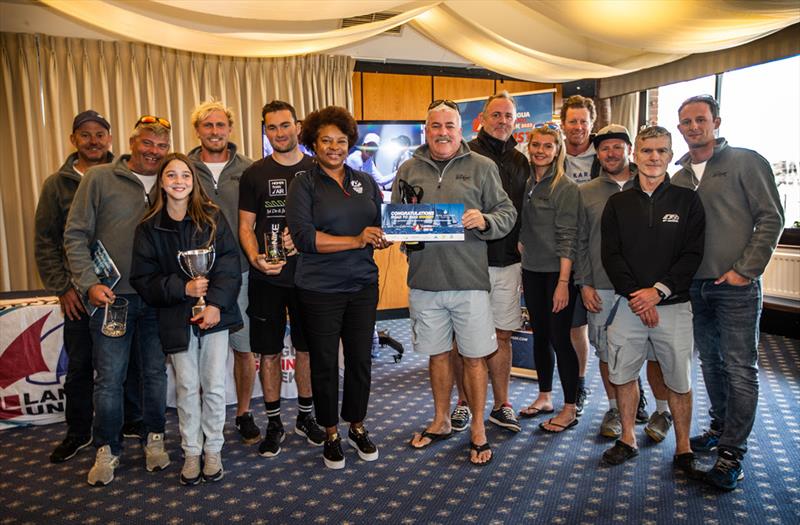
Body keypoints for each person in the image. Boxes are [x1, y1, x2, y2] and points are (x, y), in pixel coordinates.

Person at [395, 100, 516, 466]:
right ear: (426, 129)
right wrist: (402, 232)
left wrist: (484, 220)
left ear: (460, 130)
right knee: (437, 356)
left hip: (469, 282)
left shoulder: (482, 167)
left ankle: (478, 427)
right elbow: (401, 217)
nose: (443, 132)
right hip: (425, 282)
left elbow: (507, 213)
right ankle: (442, 420)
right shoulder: (408, 168)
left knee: (475, 358)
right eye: (436, 126)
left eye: (450, 125)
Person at [672, 95, 784, 490]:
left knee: (740, 369)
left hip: (736, 287)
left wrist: (744, 271)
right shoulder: (679, 176)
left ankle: (733, 453)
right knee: (711, 366)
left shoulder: (745, 162)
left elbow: (772, 217)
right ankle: (720, 428)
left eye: (700, 119)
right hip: (696, 288)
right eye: (686, 122)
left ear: (716, 122)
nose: (693, 127)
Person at [64, 115, 172, 486]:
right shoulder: (100, 178)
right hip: (112, 299)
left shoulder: (171, 179)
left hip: (157, 299)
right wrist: (88, 284)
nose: (154, 152)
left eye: (161, 146)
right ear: (131, 142)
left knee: (156, 376)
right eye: (147, 143)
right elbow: (75, 235)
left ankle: (155, 438)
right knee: (109, 380)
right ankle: (107, 449)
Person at [286, 106, 389, 470]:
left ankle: (357, 426)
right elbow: (305, 238)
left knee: (361, 360)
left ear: (350, 143)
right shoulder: (304, 183)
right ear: (314, 143)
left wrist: (383, 237)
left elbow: (379, 224)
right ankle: (330, 432)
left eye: (341, 141)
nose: (334, 147)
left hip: (362, 284)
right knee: (326, 363)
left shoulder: (365, 181)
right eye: (326, 141)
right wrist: (357, 239)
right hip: (319, 288)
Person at [600, 126, 705, 481]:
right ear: (635, 155)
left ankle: (683, 446)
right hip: (629, 305)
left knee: (678, 380)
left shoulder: (688, 201)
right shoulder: (617, 204)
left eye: (661, 151)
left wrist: (657, 292)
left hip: (674, 306)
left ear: (671, 155)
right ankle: (627, 438)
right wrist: (637, 295)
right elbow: (611, 256)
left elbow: (692, 255)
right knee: (623, 374)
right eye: (647, 151)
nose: (654, 157)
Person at [131, 153, 242, 485]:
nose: (179, 181)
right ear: (162, 183)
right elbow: (143, 279)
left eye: (185, 176)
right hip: (174, 316)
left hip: (215, 316)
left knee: (215, 386)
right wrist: (184, 287)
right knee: (186, 386)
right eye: (171, 175)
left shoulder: (213, 218)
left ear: (194, 182)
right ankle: (192, 451)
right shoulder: (148, 227)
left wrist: (215, 304)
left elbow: (229, 266)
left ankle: (214, 450)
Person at [238, 100, 326, 458]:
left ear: (298, 126)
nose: (280, 133)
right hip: (268, 276)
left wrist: (305, 238)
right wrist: (255, 259)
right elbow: (246, 226)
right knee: (269, 352)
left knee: (306, 349)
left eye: (285, 125)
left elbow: (330, 222)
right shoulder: (254, 173)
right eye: (272, 127)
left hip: (309, 276)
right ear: (265, 130)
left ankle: (306, 416)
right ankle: (274, 422)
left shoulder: (318, 169)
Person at [575, 125, 672, 441]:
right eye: (604, 148)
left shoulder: (651, 184)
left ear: (630, 149)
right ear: (598, 154)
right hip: (602, 288)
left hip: (648, 289)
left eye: (618, 147)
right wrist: (584, 283)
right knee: (608, 354)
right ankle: (616, 408)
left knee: (656, 354)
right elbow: (579, 241)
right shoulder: (586, 192)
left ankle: (661, 411)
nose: (611, 153)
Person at [35, 110, 113, 463]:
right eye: (86, 135)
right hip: (78, 295)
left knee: (125, 366)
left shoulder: (123, 175)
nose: (94, 141)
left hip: (119, 291)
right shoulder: (57, 183)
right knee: (80, 366)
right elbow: (46, 241)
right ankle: (78, 432)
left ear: (110, 139)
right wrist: (64, 287)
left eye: (100, 134)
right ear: (74, 140)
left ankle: (127, 426)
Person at [449, 92, 529, 435]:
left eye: (508, 116)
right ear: (481, 119)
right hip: (467, 261)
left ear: (515, 120)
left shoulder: (521, 161)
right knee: (461, 340)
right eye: (496, 115)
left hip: (507, 262)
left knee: (502, 336)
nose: (502, 122)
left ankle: (502, 404)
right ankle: (464, 403)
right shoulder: (463, 154)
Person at [187, 100, 259, 445]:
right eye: (207, 125)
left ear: (230, 129)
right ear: (197, 130)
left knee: (243, 349)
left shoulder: (250, 169)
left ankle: (244, 412)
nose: (214, 131)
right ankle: (197, 416)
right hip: (193, 279)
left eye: (220, 125)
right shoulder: (182, 168)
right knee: (192, 353)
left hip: (240, 273)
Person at [518, 123, 580, 433]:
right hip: (531, 271)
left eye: (548, 146)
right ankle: (545, 396)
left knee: (560, 338)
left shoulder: (565, 187)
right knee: (539, 337)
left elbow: (569, 238)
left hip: (558, 275)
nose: (541, 151)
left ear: (557, 150)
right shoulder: (528, 182)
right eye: (536, 145)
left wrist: (563, 283)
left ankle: (570, 407)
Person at [559, 95, 598, 415]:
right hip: (560, 252)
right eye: (572, 121)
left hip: (596, 253)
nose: (578, 126)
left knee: (610, 329)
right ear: (563, 124)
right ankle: (572, 388)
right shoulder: (553, 155)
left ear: (591, 123)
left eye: (583, 121)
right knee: (568, 327)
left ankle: (631, 391)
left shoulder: (605, 156)